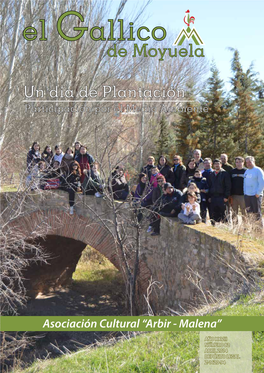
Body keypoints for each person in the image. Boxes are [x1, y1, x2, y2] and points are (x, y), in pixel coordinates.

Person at [208, 159, 231, 224]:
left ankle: (225, 229)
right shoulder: (211, 174)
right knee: (214, 216)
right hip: (213, 197)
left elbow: (228, 186)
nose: (217, 165)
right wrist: (209, 196)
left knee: (224, 215)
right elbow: (209, 186)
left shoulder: (225, 173)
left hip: (222, 197)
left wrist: (226, 196)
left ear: (221, 165)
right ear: (213, 165)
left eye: (218, 164)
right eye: (215, 164)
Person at [244, 156, 264, 223]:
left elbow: (262, 182)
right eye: (247, 162)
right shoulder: (247, 171)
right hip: (247, 195)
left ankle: (259, 230)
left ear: (253, 161)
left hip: (255, 195)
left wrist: (258, 193)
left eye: (250, 162)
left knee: (257, 213)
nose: (248, 164)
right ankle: (252, 228)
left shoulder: (258, 170)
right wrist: (245, 193)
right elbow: (245, 183)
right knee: (249, 213)